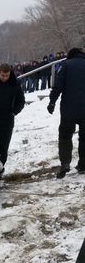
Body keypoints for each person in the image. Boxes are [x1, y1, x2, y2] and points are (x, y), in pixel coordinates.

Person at [47, 47, 85, 178]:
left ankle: (65, 164)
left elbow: (58, 85)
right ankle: (83, 165)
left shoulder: (66, 65)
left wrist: (52, 102)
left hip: (69, 108)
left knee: (65, 136)